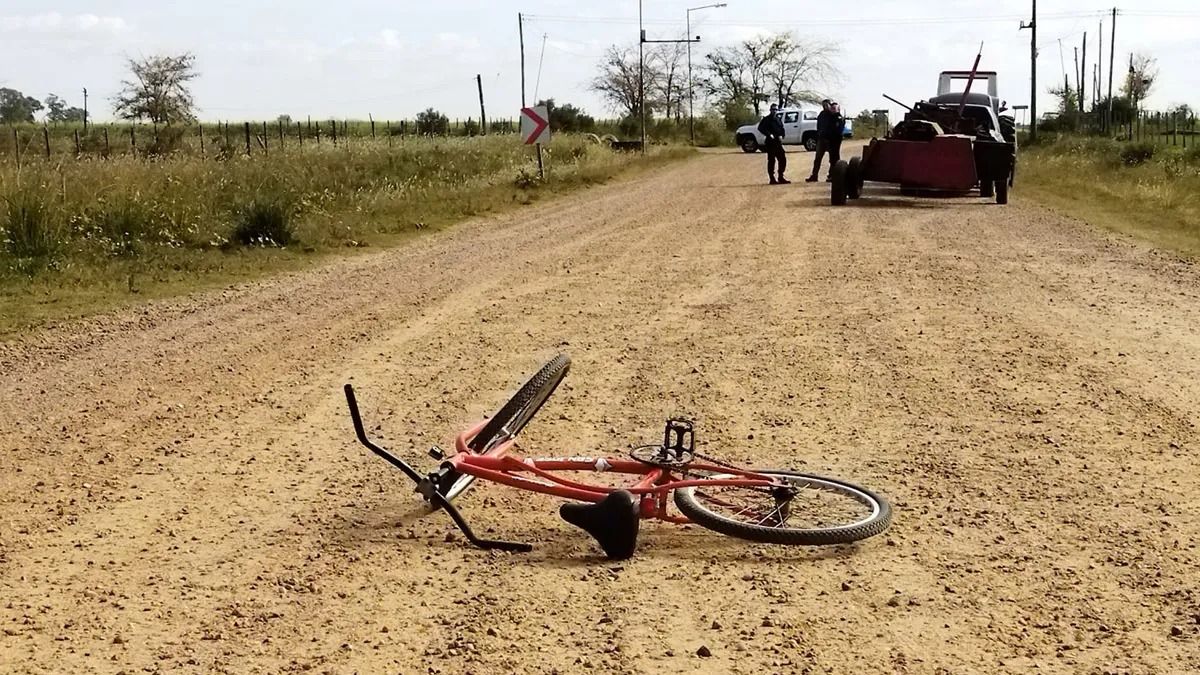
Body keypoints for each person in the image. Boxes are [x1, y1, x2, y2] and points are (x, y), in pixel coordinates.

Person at [807, 99, 846, 183]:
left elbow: (837, 128)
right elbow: (819, 126)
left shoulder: (834, 115)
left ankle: (831, 175)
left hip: (831, 140)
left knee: (833, 158)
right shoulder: (821, 115)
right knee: (817, 158)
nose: (825, 107)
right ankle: (814, 175)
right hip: (821, 139)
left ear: (830, 105)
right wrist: (819, 134)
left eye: (826, 105)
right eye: (823, 105)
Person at [757, 103, 789, 185]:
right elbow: (760, 128)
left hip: (778, 142)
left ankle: (781, 176)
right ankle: (772, 178)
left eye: (775, 109)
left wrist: (782, 135)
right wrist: (768, 134)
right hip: (770, 143)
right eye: (773, 109)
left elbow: (782, 128)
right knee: (771, 160)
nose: (774, 111)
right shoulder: (766, 119)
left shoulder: (778, 119)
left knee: (782, 159)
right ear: (770, 110)